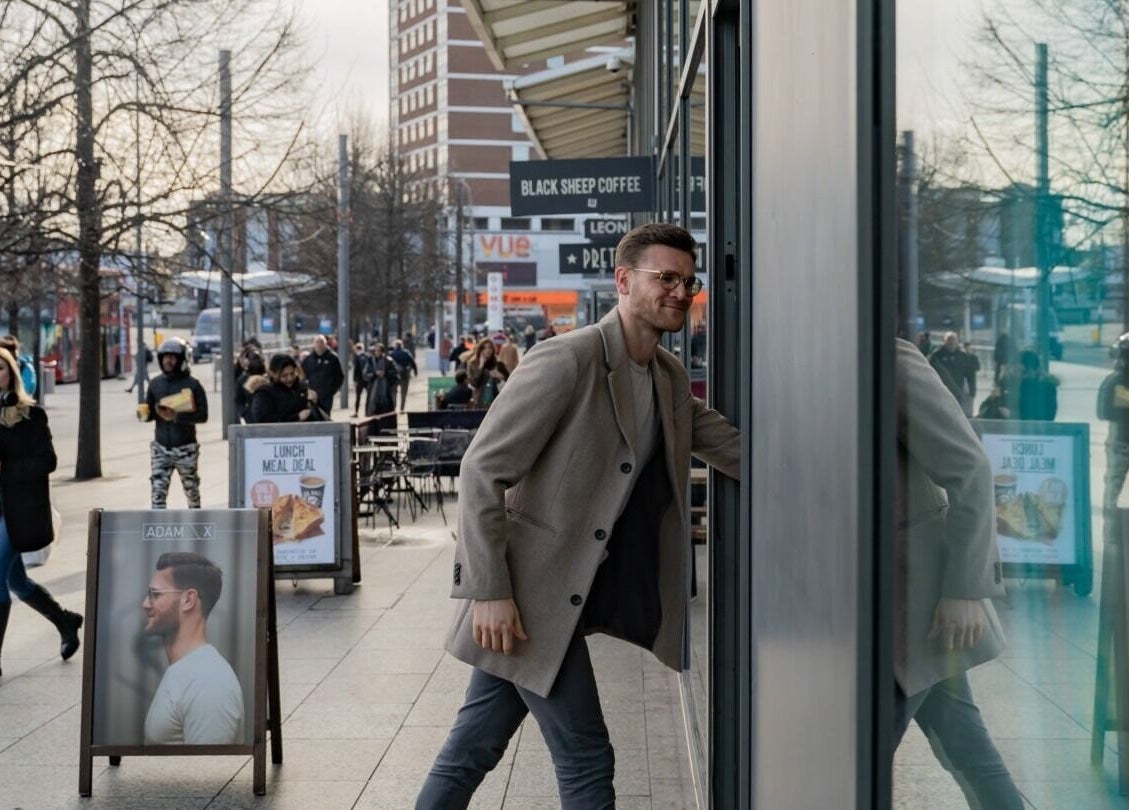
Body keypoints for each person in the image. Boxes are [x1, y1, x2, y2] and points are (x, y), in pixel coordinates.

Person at [416, 223, 740, 808]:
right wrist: (488, 591)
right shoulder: (568, 358)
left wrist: (826, 472)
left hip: (565, 598)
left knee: (471, 749)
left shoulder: (666, 377)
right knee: (586, 759)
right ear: (624, 281)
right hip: (528, 598)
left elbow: (729, 445)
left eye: (688, 282)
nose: (679, 292)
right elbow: (482, 469)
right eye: (665, 278)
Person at [894, 338, 1022, 808]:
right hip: (889, 610)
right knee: (968, 749)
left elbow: (970, 469)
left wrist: (965, 590)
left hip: (915, 604)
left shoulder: (890, 361)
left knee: (846, 766)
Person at [0, 347, 81, 679]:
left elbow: (48, 461)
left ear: (11, 374)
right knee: (16, 581)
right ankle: (65, 620)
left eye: (0, 369)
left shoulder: (31, 415)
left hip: (16, 513)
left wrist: (6, 470)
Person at [142, 552, 244, 745]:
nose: (145, 604)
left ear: (188, 600)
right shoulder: (189, 671)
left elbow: (208, 763)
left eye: (155, 594)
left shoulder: (209, 683)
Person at [143, 339, 209, 509]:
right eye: (165, 357)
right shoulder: (155, 384)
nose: (168, 361)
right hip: (161, 447)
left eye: (173, 357)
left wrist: (176, 416)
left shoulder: (193, 385)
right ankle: (158, 523)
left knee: (192, 491)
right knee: (157, 493)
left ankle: (196, 521)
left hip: (186, 448)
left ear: (182, 359)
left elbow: (203, 416)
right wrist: (146, 414)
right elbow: (149, 410)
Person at [1098, 333, 1129, 544]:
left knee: (1111, 493)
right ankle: (1110, 539)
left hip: (1119, 442)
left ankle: (1110, 539)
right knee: (1111, 494)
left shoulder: (1114, 380)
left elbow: (1104, 411)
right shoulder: (1115, 381)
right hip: (1120, 443)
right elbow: (1105, 411)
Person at [248, 353, 321, 424]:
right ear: (272, 374)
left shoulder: (302, 388)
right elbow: (263, 421)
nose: (290, 378)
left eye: (292, 374)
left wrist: (314, 402)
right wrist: (296, 418)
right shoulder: (264, 393)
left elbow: (318, 416)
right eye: (284, 375)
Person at [1003, 348, 1058, 421]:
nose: (1017, 376)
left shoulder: (1045, 389)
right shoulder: (1007, 386)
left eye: (1022, 372)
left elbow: (1046, 416)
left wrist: (1011, 414)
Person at [928, 332, 973, 416]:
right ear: (945, 341)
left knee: (956, 413)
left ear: (957, 342)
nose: (951, 342)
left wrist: (971, 389)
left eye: (953, 340)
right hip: (941, 389)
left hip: (957, 389)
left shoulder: (963, 356)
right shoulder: (937, 355)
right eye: (949, 340)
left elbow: (969, 373)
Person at [301, 335, 345, 416]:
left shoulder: (333, 358)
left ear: (325, 344)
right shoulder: (308, 359)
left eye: (321, 342)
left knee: (325, 415)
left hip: (327, 396)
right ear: (314, 344)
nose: (319, 344)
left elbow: (339, 376)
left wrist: (332, 390)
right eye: (317, 342)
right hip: (312, 395)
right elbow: (302, 376)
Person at [464, 338, 510, 409]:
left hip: (496, 400)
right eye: (485, 348)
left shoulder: (498, 364)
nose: (488, 350)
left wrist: (500, 376)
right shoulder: (472, 364)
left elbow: (510, 380)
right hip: (479, 401)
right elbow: (474, 383)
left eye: (490, 347)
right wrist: (481, 366)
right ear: (480, 350)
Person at [364, 343, 399, 417]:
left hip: (385, 387)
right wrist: (375, 374)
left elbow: (395, 374)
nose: (377, 352)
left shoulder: (388, 361)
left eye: (379, 351)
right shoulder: (370, 360)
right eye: (376, 351)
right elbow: (365, 374)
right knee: (372, 405)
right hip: (373, 387)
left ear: (382, 351)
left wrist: (385, 373)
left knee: (386, 406)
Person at [234, 351, 265, 424]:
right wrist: (245, 413)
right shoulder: (242, 380)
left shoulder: (267, 377)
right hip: (251, 418)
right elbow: (238, 401)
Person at [389, 338, 418, 411]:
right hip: (405, 375)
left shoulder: (391, 354)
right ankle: (402, 408)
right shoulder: (406, 353)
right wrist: (415, 371)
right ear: (402, 345)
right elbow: (413, 362)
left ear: (395, 346)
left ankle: (394, 406)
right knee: (403, 393)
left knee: (394, 392)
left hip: (395, 376)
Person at [351, 342, 372, 417]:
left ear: (357, 349)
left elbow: (356, 369)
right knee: (369, 396)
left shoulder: (357, 357)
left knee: (358, 397)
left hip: (359, 380)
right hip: (367, 380)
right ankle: (368, 412)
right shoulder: (368, 356)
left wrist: (354, 380)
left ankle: (356, 412)